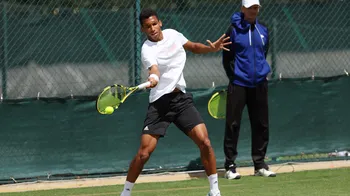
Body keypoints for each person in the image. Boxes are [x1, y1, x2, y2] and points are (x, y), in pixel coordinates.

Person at [120, 8, 231, 196]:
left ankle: (214, 191)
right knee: (144, 153)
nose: (152, 29)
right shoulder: (147, 49)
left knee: (204, 142)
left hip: (181, 100)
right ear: (142, 29)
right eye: (147, 27)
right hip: (159, 104)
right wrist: (154, 78)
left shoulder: (173, 35)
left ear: (160, 22)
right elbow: (153, 69)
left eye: (154, 24)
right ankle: (126, 192)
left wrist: (211, 48)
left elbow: (194, 47)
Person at [222, 0, 276, 180]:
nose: (254, 10)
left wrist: (260, 72)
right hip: (239, 84)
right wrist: (235, 78)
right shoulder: (232, 30)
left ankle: (259, 164)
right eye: (251, 7)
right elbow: (226, 58)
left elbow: (263, 52)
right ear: (243, 9)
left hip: (260, 83)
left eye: (256, 8)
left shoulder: (264, 29)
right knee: (233, 124)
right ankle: (230, 166)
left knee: (261, 124)